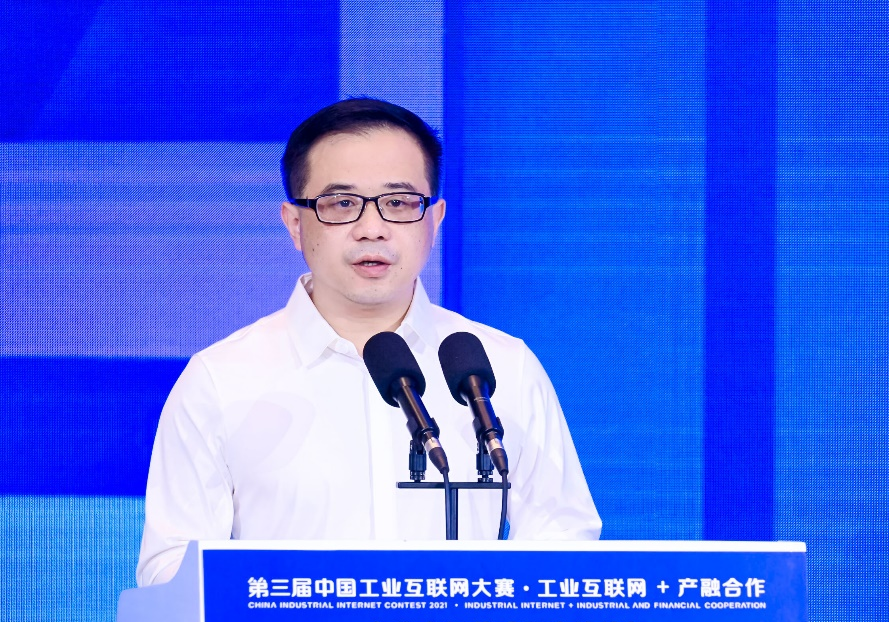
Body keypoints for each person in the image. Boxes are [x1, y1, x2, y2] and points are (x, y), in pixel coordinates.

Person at [136, 98, 600, 587]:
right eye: (342, 204)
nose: (372, 229)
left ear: (435, 219)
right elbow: (170, 571)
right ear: (295, 223)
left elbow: (564, 543)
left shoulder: (500, 367)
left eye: (398, 203)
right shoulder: (222, 380)